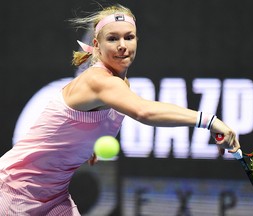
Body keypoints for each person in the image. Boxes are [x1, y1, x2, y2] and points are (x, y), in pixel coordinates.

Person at [0, 4, 240, 215]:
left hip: (53, 198)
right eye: (112, 39)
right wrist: (209, 120)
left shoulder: (121, 85)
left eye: (129, 37)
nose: (122, 46)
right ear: (97, 45)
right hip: (11, 191)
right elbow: (144, 111)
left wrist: (86, 146)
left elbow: (80, 126)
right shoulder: (98, 80)